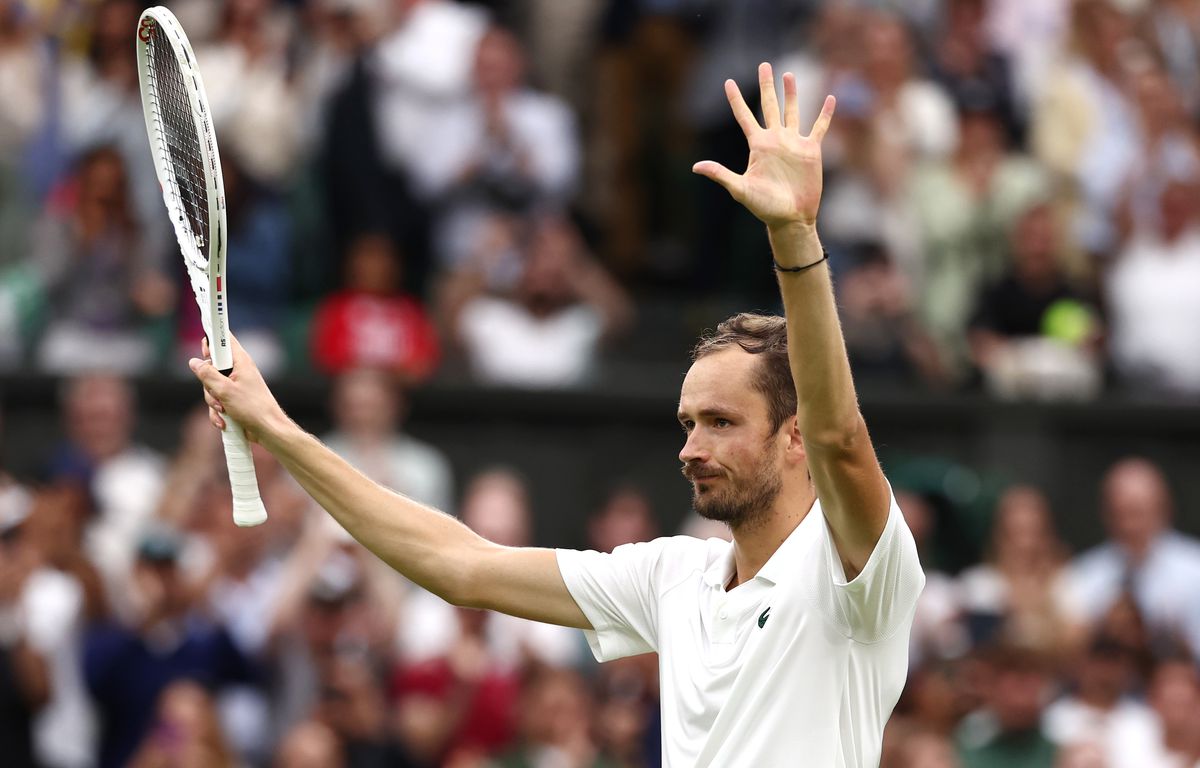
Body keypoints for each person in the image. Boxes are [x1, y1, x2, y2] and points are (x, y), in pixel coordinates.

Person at [190, 63, 925, 766]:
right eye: (688, 423)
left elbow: (843, 438)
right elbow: (461, 566)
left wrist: (794, 236)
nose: (692, 448)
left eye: (722, 422)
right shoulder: (675, 576)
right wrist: (278, 431)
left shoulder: (854, 570)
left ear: (793, 438)